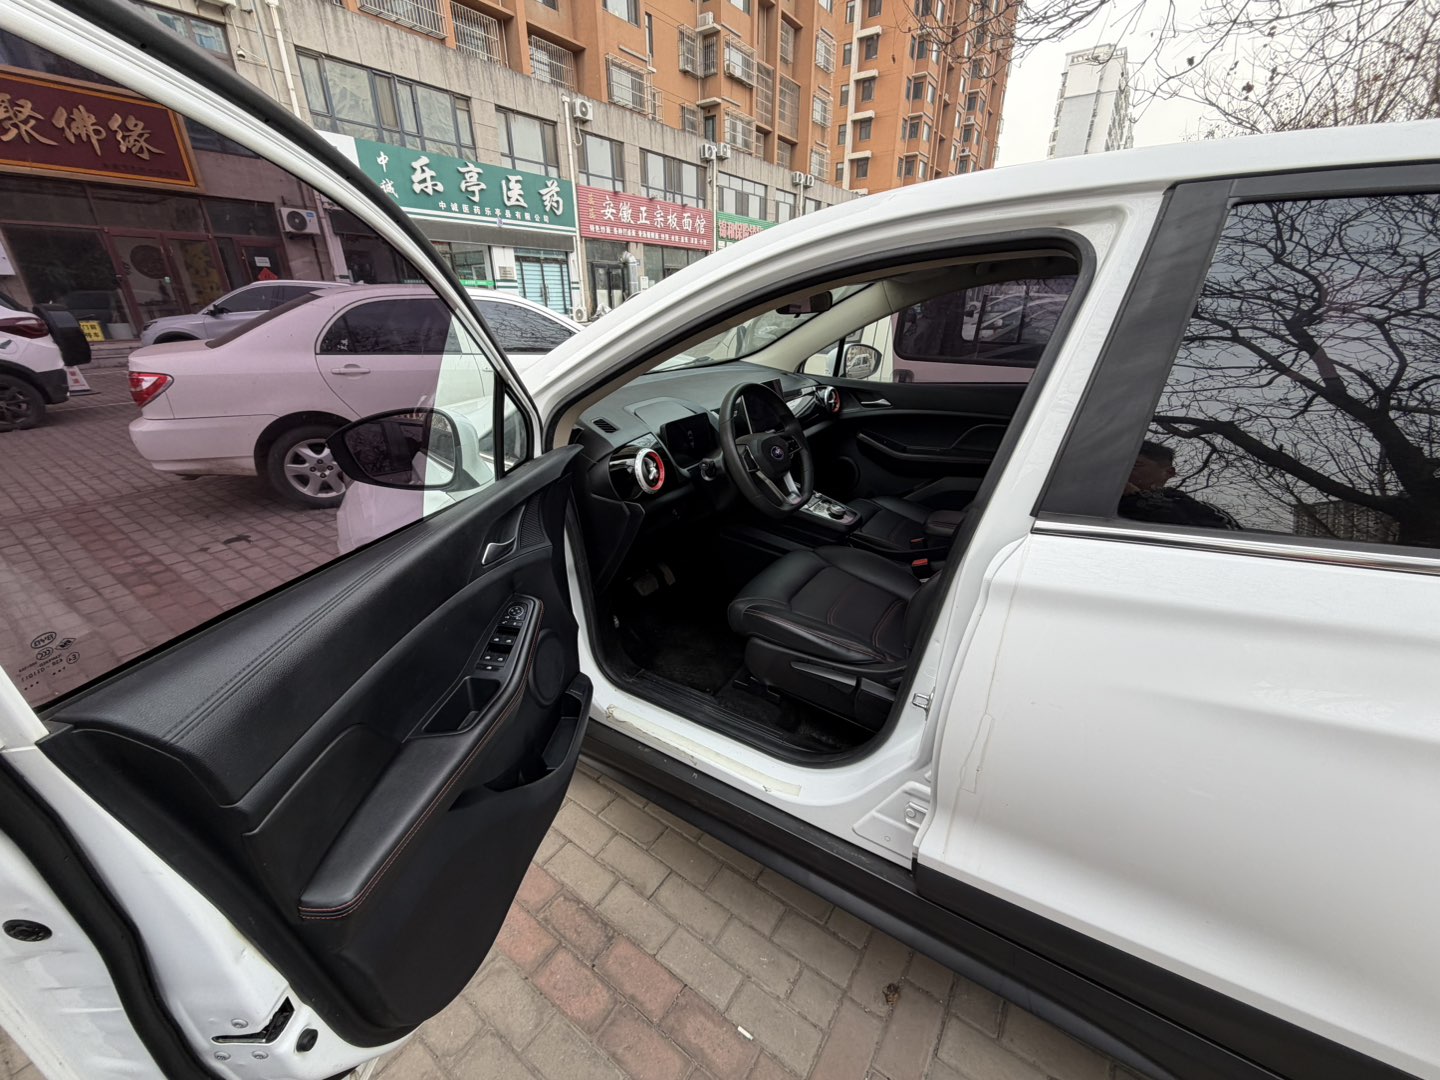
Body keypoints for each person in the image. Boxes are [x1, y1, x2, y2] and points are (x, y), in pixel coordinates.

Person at [1118, 440, 1241, 530]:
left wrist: (1139, 500)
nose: (1124, 470)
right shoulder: (1107, 499)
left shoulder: (1198, 509)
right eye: (1119, 465)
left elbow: (1230, 538)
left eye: (1135, 465)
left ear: (1168, 473)